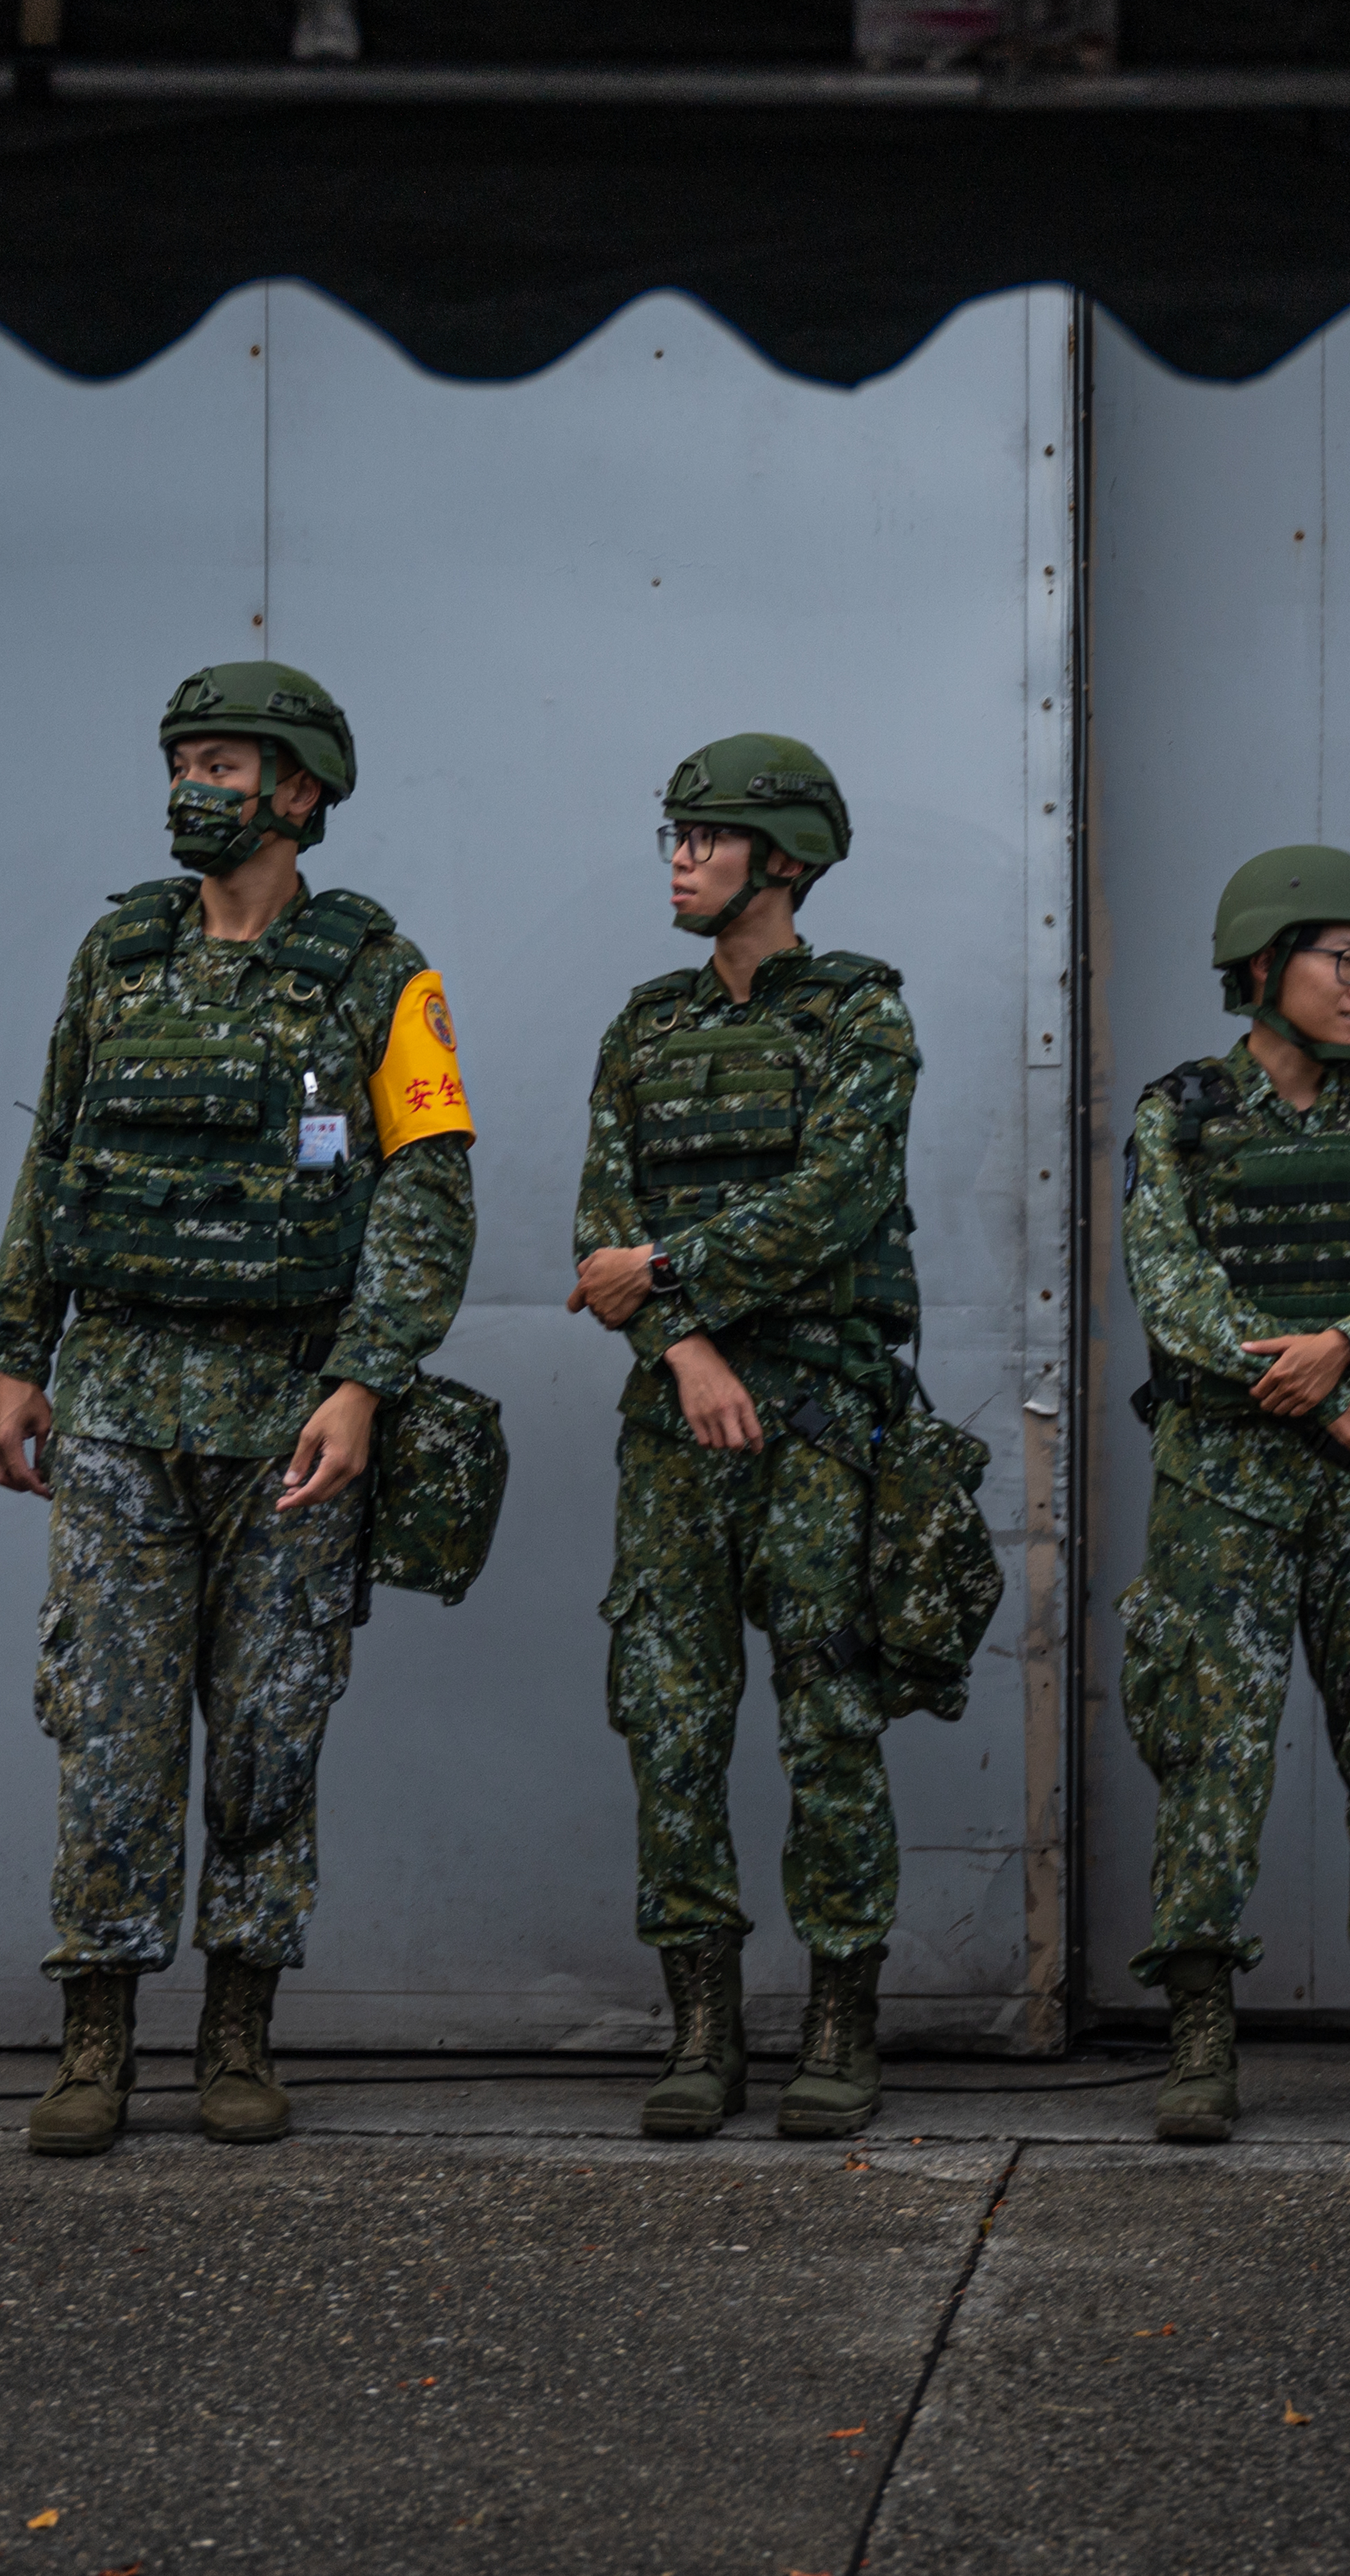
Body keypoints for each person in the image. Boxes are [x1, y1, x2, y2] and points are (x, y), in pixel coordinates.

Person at [0, 662, 474, 2158]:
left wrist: (364, 1384)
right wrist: (19, 1354)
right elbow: (54, 1151)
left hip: (288, 1423)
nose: (194, 783)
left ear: (301, 788)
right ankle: (96, 2037)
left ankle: (240, 2029)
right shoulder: (116, 955)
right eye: (182, 757)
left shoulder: (381, 973)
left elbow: (429, 1193)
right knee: (112, 1726)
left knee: (267, 1730)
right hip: (121, 1406)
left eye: (224, 761)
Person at [570, 737, 925, 2143]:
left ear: (783, 861)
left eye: (708, 837)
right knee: (671, 1720)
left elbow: (835, 1202)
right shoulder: (643, 1029)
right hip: (678, 1421)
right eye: (674, 833)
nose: (680, 856)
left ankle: (842, 2015)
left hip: (824, 1419)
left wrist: (665, 1280)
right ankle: (702, 2023)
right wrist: (689, 1340)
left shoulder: (861, 1020)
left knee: (830, 1718)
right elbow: (600, 1239)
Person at [1115, 845, 1350, 2146]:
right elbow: (1170, 1292)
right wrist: (1331, 1388)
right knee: (1214, 1761)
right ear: (1266, 965)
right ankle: (1202, 2036)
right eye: (1343, 960)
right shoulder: (1177, 1116)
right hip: (1224, 1492)